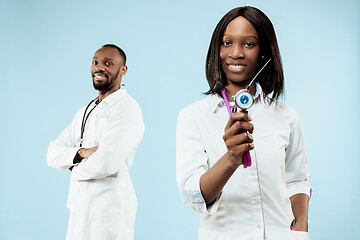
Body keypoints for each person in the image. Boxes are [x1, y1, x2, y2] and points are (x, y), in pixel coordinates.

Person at [176, 7, 310, 240]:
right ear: (217, 50)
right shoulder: (194, 117)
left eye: (248, 44)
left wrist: (301, 226)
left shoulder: (287, 117)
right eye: (227, 43)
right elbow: (193, 195)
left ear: (263, 52)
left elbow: (297, 179)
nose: (236, 53)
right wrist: (230, 159)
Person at [47, 44, 145, 240]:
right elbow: (52, 153)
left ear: (123, 70)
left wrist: (73, 169)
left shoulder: (126, 108)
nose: (99, 68)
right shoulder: (85, 111)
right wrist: (81, 153)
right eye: (95, 62)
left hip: (109, 212)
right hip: (79, 208)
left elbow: (107, 162)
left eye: (108, 63)